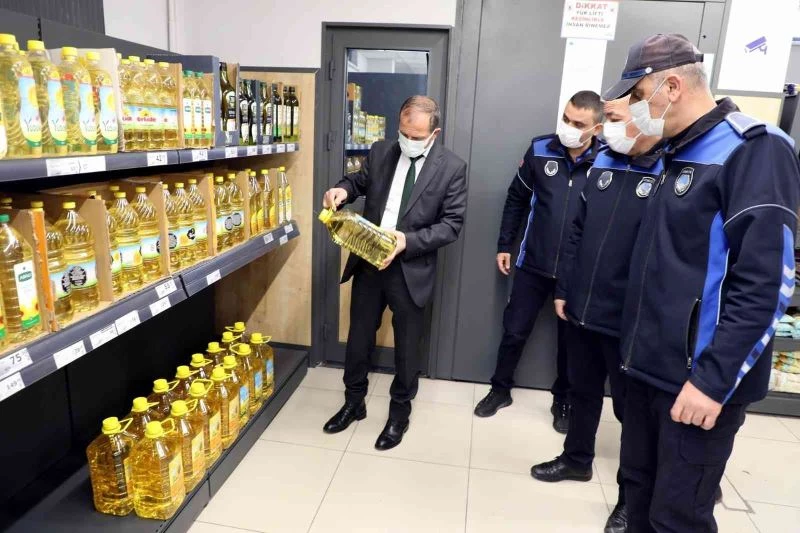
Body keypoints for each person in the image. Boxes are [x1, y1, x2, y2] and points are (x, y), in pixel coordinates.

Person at [603, 34, 800, 532]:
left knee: (677, 518)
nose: (634, 108)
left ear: (671, 86)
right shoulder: (674, 151)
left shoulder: (754, 150)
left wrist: (712, 382)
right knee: (638, 499)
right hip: (645, 369)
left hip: (697, 381)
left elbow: (765, 285)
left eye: (637, 94)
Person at [530, 96, 663, 533]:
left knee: (631, 414)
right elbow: (576, 233)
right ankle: (576, 459)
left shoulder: (666, 170)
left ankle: (630, 499)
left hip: (628, 318)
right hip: (582, 307)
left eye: (616, 119)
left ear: (644, 121)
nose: (608, 129)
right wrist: (564, 290)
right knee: (582, 390)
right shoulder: (603, 163)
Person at [321, 95, 467, 451]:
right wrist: (342, 189)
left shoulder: (452, 168)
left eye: (417, 137)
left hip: (410, 269)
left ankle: (399, 414)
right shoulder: (382, 150)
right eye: (404, 133)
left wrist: (407, 241)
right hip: (369, 261)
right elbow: (358, 181)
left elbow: (451, 225)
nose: (408, 141)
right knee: (359, 338)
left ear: (434, 134)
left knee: (406, 349)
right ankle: (353, 402)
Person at [474, 91, 603, 434]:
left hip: (577, 272)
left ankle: (563, 399)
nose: (569, 127)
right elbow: (516, 199)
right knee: (514, 330)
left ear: (597, 128)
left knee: (570, 343)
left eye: (579, 124)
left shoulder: (609, 160)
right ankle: (500, 389)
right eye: (566, 118)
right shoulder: (540, 149)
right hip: (533, 262)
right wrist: (505, 244)